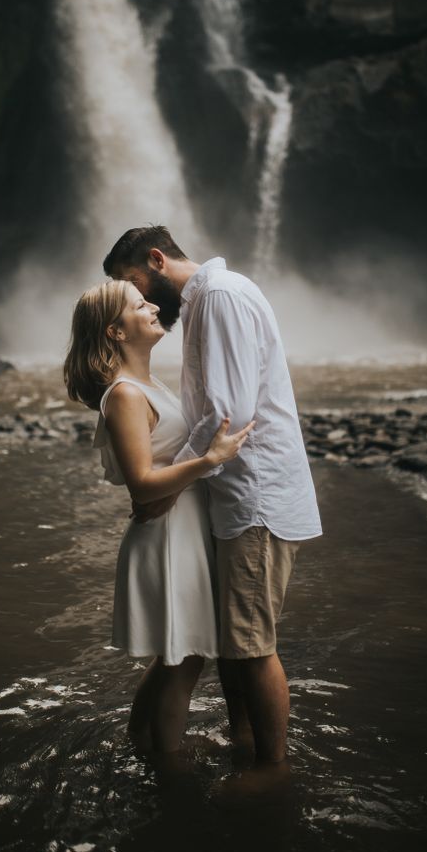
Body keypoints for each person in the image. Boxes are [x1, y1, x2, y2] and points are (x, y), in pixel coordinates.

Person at [103, 227, 322, 765]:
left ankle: (272, 769)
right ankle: (244, 745)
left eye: (137, 284)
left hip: (256, 498)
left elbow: (229, 412)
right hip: (233, 498)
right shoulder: (203, 303)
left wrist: (169, 485)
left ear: (156, 260)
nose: (145, 303)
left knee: (250, 645)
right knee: (234, 645)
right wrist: (177, 483)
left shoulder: (220, 296)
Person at [63, 279, 254, 756]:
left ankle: (140, 742)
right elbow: (143, 484)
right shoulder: (125, 395)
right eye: (137, 305)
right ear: (116, 331)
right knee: (182, 660)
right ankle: (171, 780)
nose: (152, 306)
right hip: (167, 536)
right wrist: (211, 459)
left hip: (182, 528)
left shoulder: (148, 385)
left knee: (179, 658)